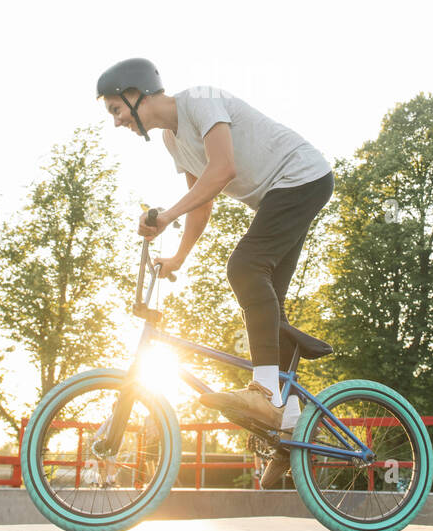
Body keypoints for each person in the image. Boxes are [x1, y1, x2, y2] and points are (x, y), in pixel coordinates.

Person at [96, 57, 334, 488]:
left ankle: (265, 394)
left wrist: (165, 215)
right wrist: (179, 259)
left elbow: (223, 170)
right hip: (278, 196)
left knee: (244, 267)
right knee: (267, 307)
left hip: (301, 178)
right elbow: (201, 202)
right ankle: (290, 429)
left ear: (136, 95)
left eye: (115, 109)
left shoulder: (200, 101)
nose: (116, 122)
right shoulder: (172, 140)